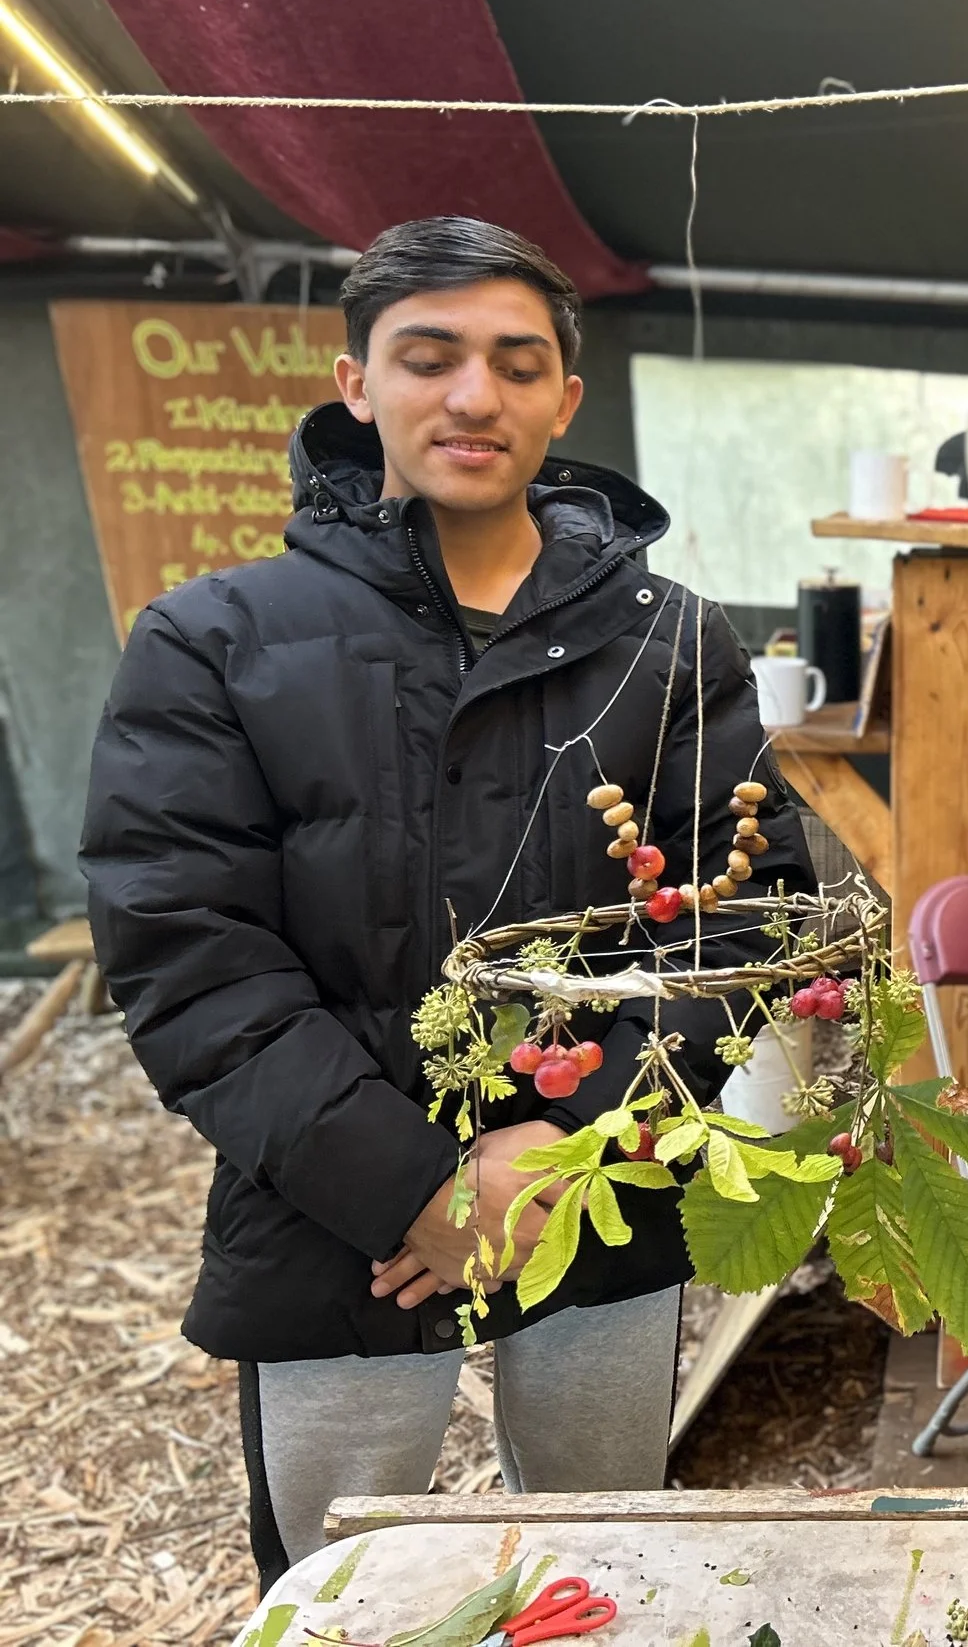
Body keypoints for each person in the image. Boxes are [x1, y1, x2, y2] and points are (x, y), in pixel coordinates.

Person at [81, 217, 833, 1586]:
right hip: (332, 1213)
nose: (473, 396)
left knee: (597, 1564)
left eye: (514, 360)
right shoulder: (215, 641)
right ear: (356, 384)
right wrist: (412, 1183)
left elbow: (747, 914)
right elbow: (191, 959)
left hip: (598, 1196)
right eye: (427, 358)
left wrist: (566, 1149)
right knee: (344, 1585)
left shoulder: (669, 641)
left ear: (566, 397)